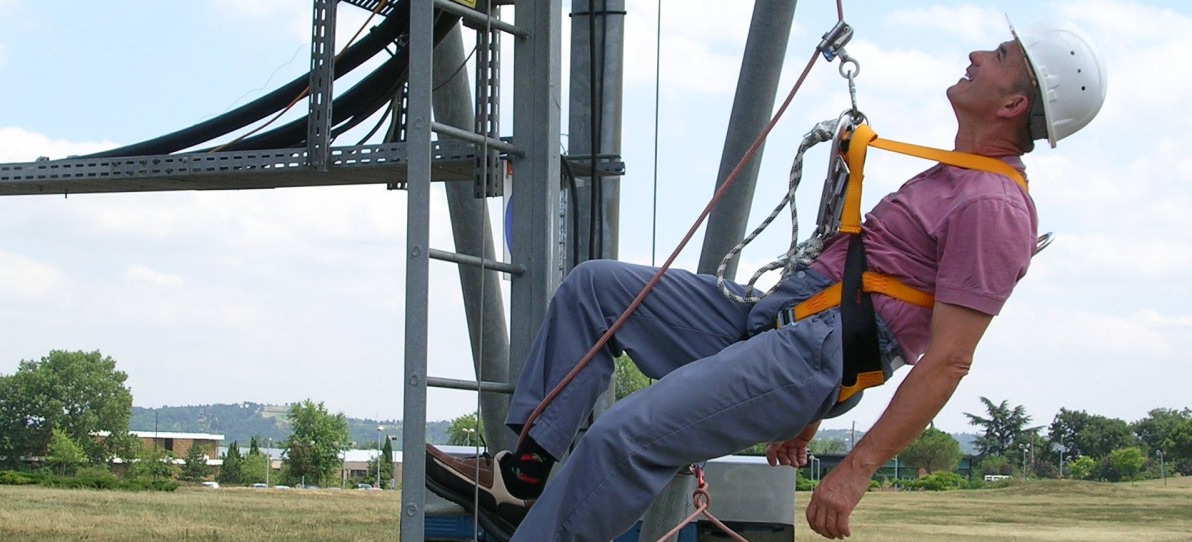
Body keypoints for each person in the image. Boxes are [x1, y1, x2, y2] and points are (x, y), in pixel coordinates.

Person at [426, 19, 1106, 541]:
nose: (978, 57)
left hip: (808, 351)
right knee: (596, 290)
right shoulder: (955, 177)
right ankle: (526, 474)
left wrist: (855, 468)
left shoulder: (992, 206)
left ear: (1015, 103)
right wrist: (806, 421)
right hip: (783, 324)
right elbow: (871, 298)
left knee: (624, 438)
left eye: (1000, 56)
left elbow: (949, 358)